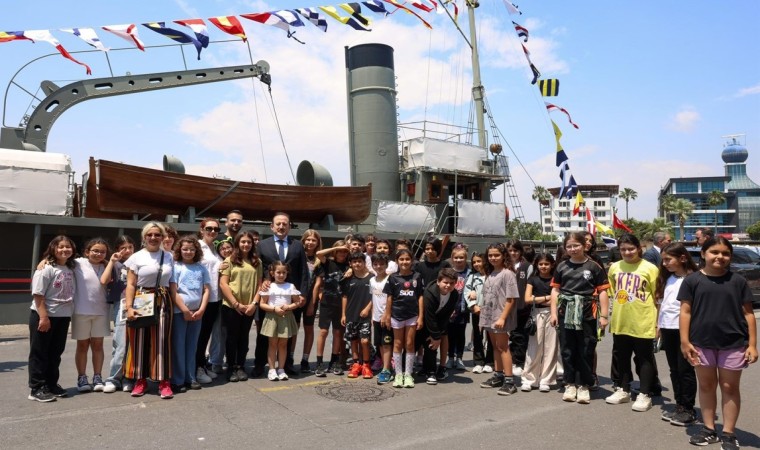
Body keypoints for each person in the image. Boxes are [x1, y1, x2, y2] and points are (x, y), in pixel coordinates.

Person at [679, 237, 758, 448]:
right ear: (703, 254)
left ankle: (729, 433)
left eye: (725, 253)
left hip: (734, 343)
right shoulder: (692, 281)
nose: (720, 256)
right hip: (700, 343)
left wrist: (752, 344)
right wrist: (685, 341)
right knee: (706, 385)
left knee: (729, 386)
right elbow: (685, 312)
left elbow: (749, 314)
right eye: (714, 252)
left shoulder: (738, 281)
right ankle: (709, 429)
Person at [550, 232, 610, 404]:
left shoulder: (594, 267)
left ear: (584, 246)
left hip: (587, 312)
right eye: (569, 246)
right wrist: (553, 313)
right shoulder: (561, 266)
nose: (573, 249)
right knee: (567, 349)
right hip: (565, 312)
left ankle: (584, 385)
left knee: (586, 348)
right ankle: (570, 384)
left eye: (576, 245)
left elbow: (603, 291)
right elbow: (555, 290)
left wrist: (604, 316)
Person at [605, 234, 659, 412]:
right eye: (623, 249)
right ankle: (623, 389)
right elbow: (613, 292)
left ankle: (645, 393)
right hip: (621, 319)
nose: (627, 252)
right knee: (622, 356)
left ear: (639, 248)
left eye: (631, 249)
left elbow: (657, 296)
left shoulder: (650, 268)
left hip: (643, 319)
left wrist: (657, 323)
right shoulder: (614, 267)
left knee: (644, 358)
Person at [124, 222, 175, 399]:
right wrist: (129, 307)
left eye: (157, 235)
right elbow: (131, 284)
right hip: (142, 298)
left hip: (163, 299)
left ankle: (164, 382)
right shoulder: (136, 257)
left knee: (162, 340)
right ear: (144, 237)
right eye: (150, 235)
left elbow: (172, 282)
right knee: (139, 341)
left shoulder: (168, 256)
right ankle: (140, 380)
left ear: (162, 237)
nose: (153, 238)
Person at [256, 212, 309, 376]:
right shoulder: (262, 245)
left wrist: (303, 294)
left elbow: (303, 271)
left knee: (288, 334)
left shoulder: (297, 245)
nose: (281, 226)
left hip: (291, 297)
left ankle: (285, 365)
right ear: (272, 227)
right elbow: (258, 269)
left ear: (289, 226)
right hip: (269, 296)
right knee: (265, 333)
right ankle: (260, 364)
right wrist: (265, 280)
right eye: (278, 224)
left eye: (284, 224)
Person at [27, 236, 76, 402]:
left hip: (63, 316)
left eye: (68, 246)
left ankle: (51, 384)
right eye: (60, 247)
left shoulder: (71, 267)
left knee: (55, 353)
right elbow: (38, 294)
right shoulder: (46, 268)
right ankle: (36, 388)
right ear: (53, 249)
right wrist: (43, 317)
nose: (64, 250)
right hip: (44, 316)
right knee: (39, 353)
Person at [655, 243, 699, 426]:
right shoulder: (667, 278)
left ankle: (689, 409)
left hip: (685, 330)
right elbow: (662, 304)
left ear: (682, 258)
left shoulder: (694, 279)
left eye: (668, 259)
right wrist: (658, 326)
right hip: (667, 328)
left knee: (685, 369)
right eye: (663, 260)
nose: (665, 263)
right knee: (674, 369)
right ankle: (679, 404)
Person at [219, 231, 262, 383]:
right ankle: (231, 367)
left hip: (249, 307)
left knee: (244, 337)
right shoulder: (229, 260)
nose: (246, 244)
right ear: (237, 243)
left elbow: (260, 285)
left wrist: (254, 304)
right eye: (243, 242)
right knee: (231, 338)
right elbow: (223, 284)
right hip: (231, 306)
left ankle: (241, 366)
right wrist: (235, 304)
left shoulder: (257, 261)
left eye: (249, 242)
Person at [170, 235, 211, 392]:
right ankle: (178, 379)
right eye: (185, 249)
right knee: (179, 345)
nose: (188, 252)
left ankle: (190, 377)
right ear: (179, 250)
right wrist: (185, 310)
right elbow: (173, 291)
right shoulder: (176, 267)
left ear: (196, 251)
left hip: (197, 313)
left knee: (192, 346)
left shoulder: (201, 268)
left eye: (192, 249)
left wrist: (201, 309)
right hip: (180, 313)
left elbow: (206, 290)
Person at [478, 243, 520, 396]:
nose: (493, 258)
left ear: (503, 256)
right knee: (495, 347)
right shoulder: (490, 273)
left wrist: (502, 318)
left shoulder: (508, 274)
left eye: (496, 255)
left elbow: (511, 299)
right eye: (490, 255)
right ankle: (498, 375)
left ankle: (509, 381)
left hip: (500, 316)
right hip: (489, 316)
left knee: (503, 347)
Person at [70, 238, 111, 393]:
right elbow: (58, 259)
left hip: (101, 311)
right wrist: (44, 261)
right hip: (81, 310)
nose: (98, 254)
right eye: (95, 251)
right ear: (87, 252)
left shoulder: (108, 265)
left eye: (102, 252)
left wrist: (110, 262)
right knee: (82, 346)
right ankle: (82, 377)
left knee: (98, 345)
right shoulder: (77, 263)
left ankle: (97, 377)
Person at [382, 248, 424, 388]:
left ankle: (408, 374)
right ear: (397, 261)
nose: (404, 262)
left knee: (410, 343)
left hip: (412, 315)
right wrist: (387, 315)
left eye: (407, 259)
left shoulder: (417, 276)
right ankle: (398, 374)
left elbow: (420, 297)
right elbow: (389, 297)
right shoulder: (393, 277)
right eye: (401, 259)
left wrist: (421, 316)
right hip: (397, 315)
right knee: (398, 344)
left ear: (412, 261)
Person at [101, 235, 135, 393]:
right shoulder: (114, 264)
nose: (127, 251)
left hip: (139, 304)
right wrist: (112, 261)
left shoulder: (138, 262)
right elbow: (104, 281)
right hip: (121, 304)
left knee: (134, 344)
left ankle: (129, 377)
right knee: (121, 343)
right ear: (117, 250)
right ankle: (114, 378)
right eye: (123, 248)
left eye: (130, 247)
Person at [521, 253, 558, 392]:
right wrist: (548, 297)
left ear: (552, 265)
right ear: (536, 265)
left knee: (551, 347)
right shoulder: (533, 279)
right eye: (541, 264)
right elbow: (527, 299)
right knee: (534, 346)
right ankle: (529, 379)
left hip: (553, 314)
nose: (543, 266)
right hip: (536, 314)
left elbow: (558, 298)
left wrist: (538, 299)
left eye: (546, 264)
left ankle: (546, 380)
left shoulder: (556, 279)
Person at [257, 261, 301, 381]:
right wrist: (274, 309)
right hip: (272, 317)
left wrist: (289, 307)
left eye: (284, 272)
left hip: (286, 317)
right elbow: (262, 304)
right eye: (278, 272)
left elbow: (297, 302)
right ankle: (271, 370)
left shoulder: (290, 286)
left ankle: (281, 369)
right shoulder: (269, 286)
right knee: (272, 344)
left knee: (283, 344)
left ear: (287, 273)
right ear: (272, 273)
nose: (281, 275)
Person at [314, 241, 350, 376]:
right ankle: (319, 362)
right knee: (323, 332)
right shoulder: (328, 263)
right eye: (339, 251)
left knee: (337, 333)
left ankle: (334, 361)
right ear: (335, 251)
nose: (342, 253)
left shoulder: (349, 265)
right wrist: (337, 247)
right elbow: (318, 253)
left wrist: (351, 268)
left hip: (341, 303)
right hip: (327, 302)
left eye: (345, 251)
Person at [194, 218, 223, 384]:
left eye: (216, 229)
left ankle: (202, 365)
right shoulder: (198, 247)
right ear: (202, 229)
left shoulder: (214, 248)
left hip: (215, 298)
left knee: (205, 335)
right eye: (209, 228)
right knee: (199, 336)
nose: (212, 232)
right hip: (201, 298)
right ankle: (196, 368)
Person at [421, 268, 459, 385]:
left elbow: (447, 315)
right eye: (445, 282)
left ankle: (435, 370)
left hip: (440, 320)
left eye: (452, 283)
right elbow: (429, 316)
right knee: (426, 343)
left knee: (436, 341)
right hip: (423, 320)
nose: (448, 285)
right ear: (438, 282)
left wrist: (438, 334)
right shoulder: (429, 293)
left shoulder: (454, 294)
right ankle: (427, 370)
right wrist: (436, 336)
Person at [341, 252, 374, 379]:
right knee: (353, 341)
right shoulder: (348, 278)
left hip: (365, 316)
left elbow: (375, 296)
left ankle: (366, 365)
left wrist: (368, 309)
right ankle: (356, 364)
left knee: (365, 341)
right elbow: (344, 297)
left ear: (364, 263)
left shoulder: (371, 278)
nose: (357, 264)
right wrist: (343, 314)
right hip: (351, 314)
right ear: (350, 264)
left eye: (360, 261)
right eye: (354, 262)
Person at [506, 239, 532, 377]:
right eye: (510, 250)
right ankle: (510, 360)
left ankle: (519, 363)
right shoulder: (505, 265)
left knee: (520, 336)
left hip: (522, 307)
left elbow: (531, 284)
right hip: (506, 306)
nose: (512, 253)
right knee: (509, 335)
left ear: (520, 251)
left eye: (515, 250)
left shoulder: (527, 266)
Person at [299, 229, 322, 373]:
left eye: (313, 240)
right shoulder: (298, 255)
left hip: (310, 299)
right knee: (293, 329)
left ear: (318, 242)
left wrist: (312, 304)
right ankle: (289, 358)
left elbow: (317, 284)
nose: (310, 242)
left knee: (308, 329)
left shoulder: (319, 260)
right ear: (303, 241)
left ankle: (305, 360)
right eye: (308, 239)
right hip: (296, 297)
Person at [369, 254, 393, 384]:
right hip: (376, 318)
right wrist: (372, 316)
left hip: (387, 318)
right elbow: (373, 299)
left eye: (382, 264)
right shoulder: (372, 280)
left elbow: (391, 299)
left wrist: (387, 315)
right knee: (379, 344)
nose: (379, 266)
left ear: (386, 265)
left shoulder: (391, 279)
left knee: (387, 343)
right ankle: (385, 367)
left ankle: (387, 370)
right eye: (376, 264)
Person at [446, 244, 470, 371]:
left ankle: (459, 358)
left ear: (465, 258)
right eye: (456, 258)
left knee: (460, 334)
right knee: (450, 334)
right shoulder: (448, 272)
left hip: (462, 308)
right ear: (452, 259)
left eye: (461, 257)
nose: (458, 260)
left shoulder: (469, 272)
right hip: (450, 308)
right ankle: (450, 357)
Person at [464, 252, 488, 373]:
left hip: (491, 311)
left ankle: (490, 362)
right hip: (477, 311)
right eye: (474, 262)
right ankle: (479, 362)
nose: (476, 264)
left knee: (491, 337)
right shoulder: (472, 277)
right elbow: (467, 292)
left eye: (479, 261)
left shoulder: (492, 275)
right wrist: (473, 306)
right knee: (478, 336)